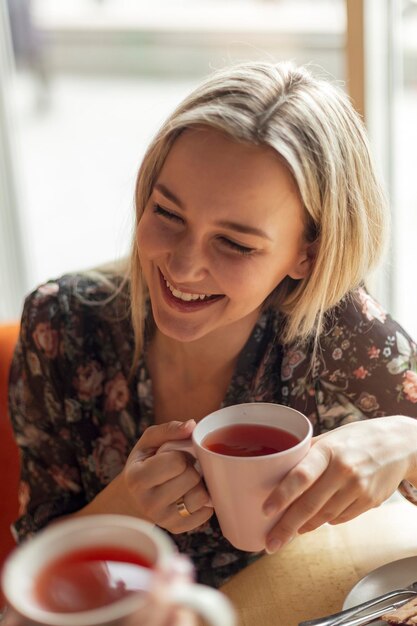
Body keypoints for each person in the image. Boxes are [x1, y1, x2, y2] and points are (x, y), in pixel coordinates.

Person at [8, 61, 417, 588]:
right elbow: (34, 574)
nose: (180, 268)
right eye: (167, 214)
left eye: (235, 244)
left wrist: (406, 444)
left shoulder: (343, 338)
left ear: (307, 256)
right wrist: (128, 505)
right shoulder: (60, 326)